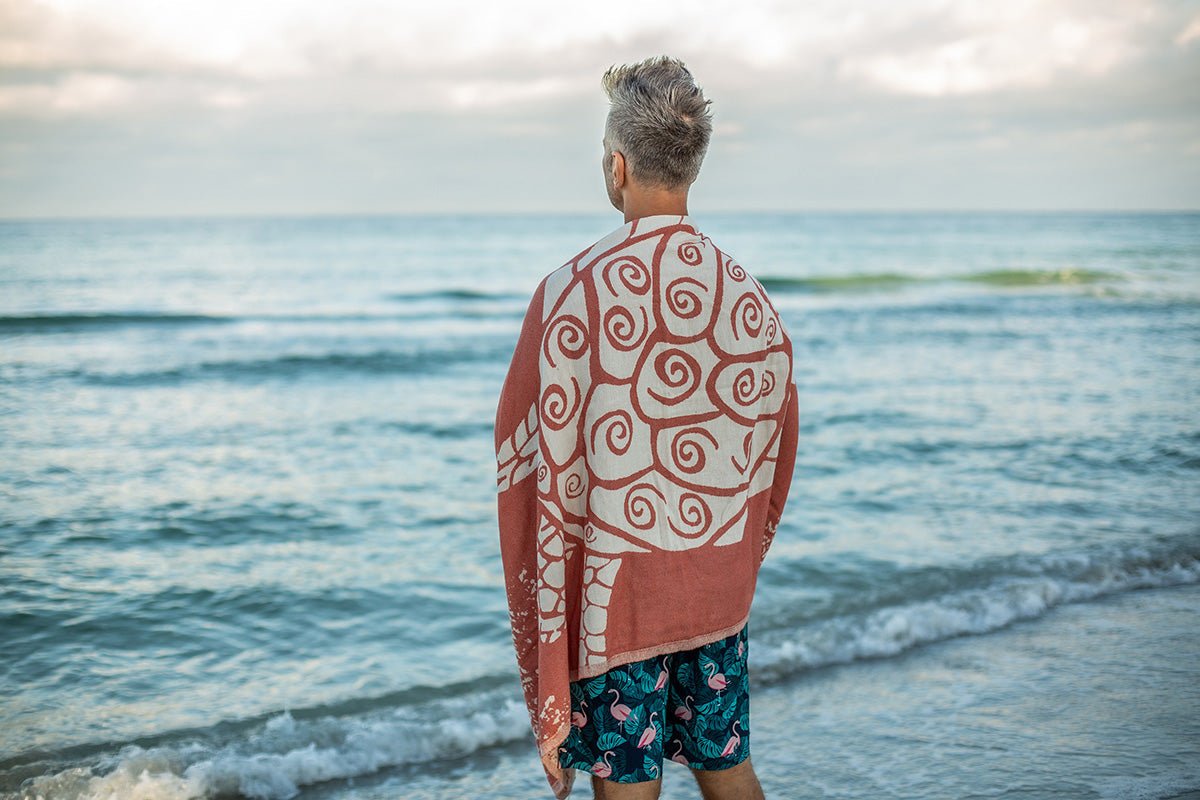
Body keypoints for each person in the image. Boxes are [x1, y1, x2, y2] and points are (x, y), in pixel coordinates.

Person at [494, 54, 799, 800]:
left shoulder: (571, 293)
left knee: (627, 789)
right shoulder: (748, 295)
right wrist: (732, 555)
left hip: (617, 599)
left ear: (618, 166)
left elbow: (523, 455)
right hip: (717, 591)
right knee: (728, 772)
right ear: (691, 167)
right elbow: (775, 449)